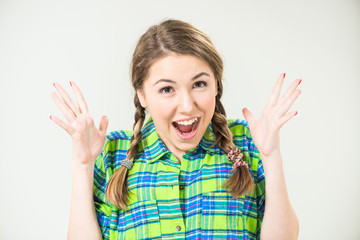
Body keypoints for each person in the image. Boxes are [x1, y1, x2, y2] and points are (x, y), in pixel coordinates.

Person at [50, 19, 300, 240]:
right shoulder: (113, 154)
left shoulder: (246, 142)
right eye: (167, 89)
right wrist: (82, 167)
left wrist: (271, 157)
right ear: (142, 95)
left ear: (216, 85)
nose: (187, 105)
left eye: (199, 84)